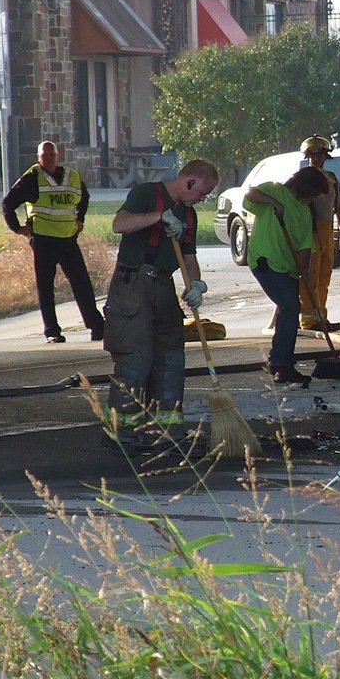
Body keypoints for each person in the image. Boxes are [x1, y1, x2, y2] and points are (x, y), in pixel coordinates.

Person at [100, 159, 220, 457]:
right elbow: (119, 224)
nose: (202, 199)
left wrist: (195, 285)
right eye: (203, 192)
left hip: (163, 286)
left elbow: (189, 259)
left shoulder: (188, 216)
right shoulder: (146, 194)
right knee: (136, 360)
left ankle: (166, 431)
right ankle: (122, 432)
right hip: (133, 285)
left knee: (170, 359)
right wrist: (158, 218)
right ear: (189, 181)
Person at [1, 140, 104, 343]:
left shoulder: (71, 176)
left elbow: (84, 198)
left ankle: (97, 327)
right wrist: (18, 229)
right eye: (44, 155)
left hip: (68, 239)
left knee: (82, 284)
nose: (48, 158)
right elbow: (8, 203)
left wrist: (80, 220)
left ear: (57, 156)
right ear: (38, 157)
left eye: (52, 155)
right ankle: (52, 331)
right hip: (44, 240)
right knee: (46, 287)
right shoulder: (32, 178)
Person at [243, 166, 328, 387]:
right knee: (290, 306)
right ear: (305, 187)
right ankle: (281, 364)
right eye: (315, 194)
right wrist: (273, 203)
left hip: (288, 267)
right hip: (266, 260)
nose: (314, 199)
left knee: (290, 308)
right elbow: (249, 194)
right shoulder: (274, 191)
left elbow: (305, 245)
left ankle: (282, 361)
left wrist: (305, 272)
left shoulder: (303, 211)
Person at [298, 136, 340, 333]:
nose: (318, 159)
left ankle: (321, 316)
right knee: (310, 275)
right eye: (314, 155)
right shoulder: (303, 179)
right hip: (310, 231)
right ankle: (309, 320)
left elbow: (339, 208)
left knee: (325, 274)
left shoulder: (332, 179)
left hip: (327, 230)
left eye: (321, 155)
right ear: (308, 156)